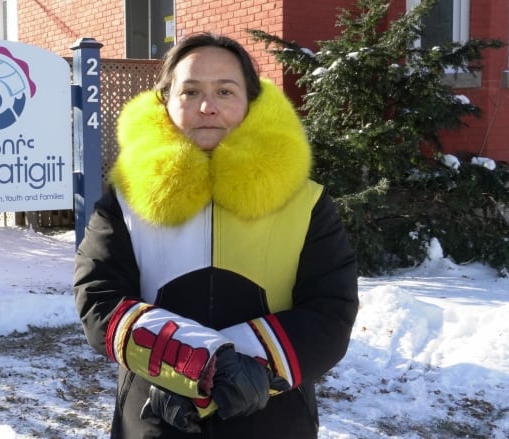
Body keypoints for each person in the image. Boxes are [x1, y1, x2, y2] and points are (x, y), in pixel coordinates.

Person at [73, 32, 359, 438]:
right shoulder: (126, 199)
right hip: (153, 417)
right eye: (190, 91)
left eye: (225, 91)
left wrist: (251, 369)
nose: (207, 107)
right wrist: (182, 367)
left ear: (251, 102)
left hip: (275, 418)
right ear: (166, 102)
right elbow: (98, 297)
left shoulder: (306, 202)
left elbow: (332, 309)